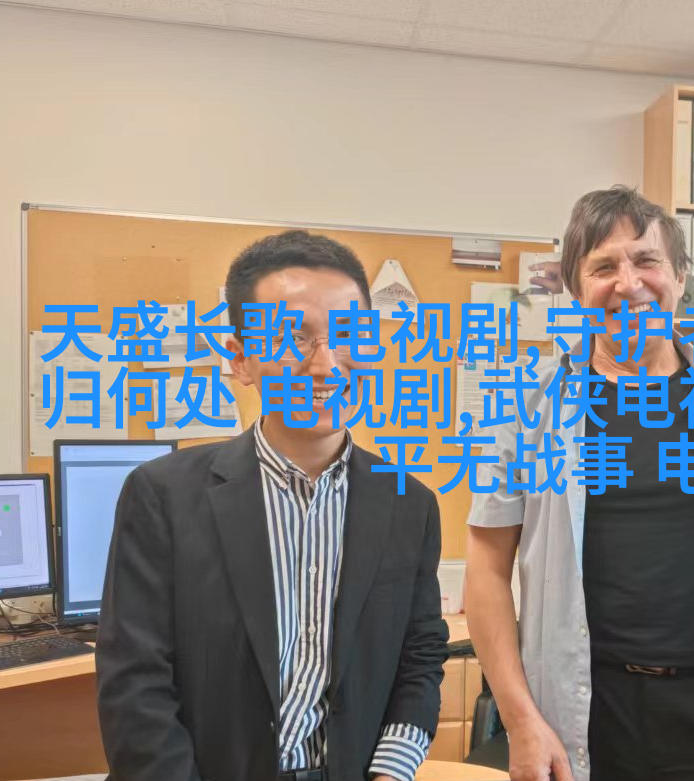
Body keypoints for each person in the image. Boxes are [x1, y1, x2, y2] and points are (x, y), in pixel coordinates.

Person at [465, 186, 694, 781]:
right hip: (585, 715)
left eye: (646, 260)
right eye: (603, 267)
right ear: (576, 289)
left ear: (680, 277)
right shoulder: (525, 405)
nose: (627, 283)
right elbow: (486, 571)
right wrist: (521, 719)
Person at [96, 230, 450, 781]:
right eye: (295, 338)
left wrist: (391, 769)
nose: (326, 364)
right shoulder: (162, 496)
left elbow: (420, 657)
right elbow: (135, 683)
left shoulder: (409, 504)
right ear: (240, 359)